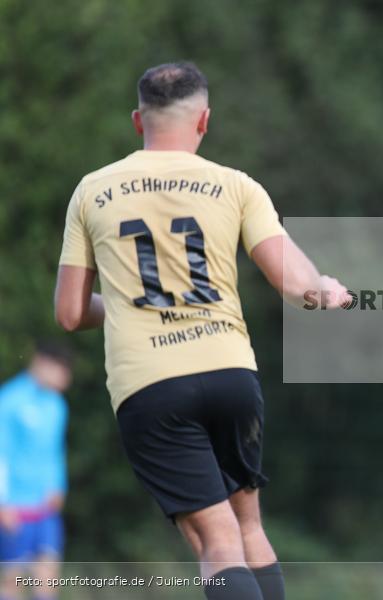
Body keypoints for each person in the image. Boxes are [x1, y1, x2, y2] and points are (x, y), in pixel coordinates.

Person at [53, 62, 350, 600]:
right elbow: (295, 283)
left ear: (137, 122)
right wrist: (324, 287)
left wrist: (123, 304)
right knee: (248, 528)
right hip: (231, 375)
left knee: (216, 542)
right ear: (204, 121)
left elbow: (70, 313)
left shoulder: (92, 191)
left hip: (151, 384)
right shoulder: (235, 186)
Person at [0, 342, 72, 600]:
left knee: (48, 574)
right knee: (13, 578)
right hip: (15, 507)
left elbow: (55, 451)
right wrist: (2, 502)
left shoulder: (57, 405)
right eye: (61, 371)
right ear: (42, 363)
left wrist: (58, 485)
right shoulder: (9, 400)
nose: (65, 379)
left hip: (45, 506)